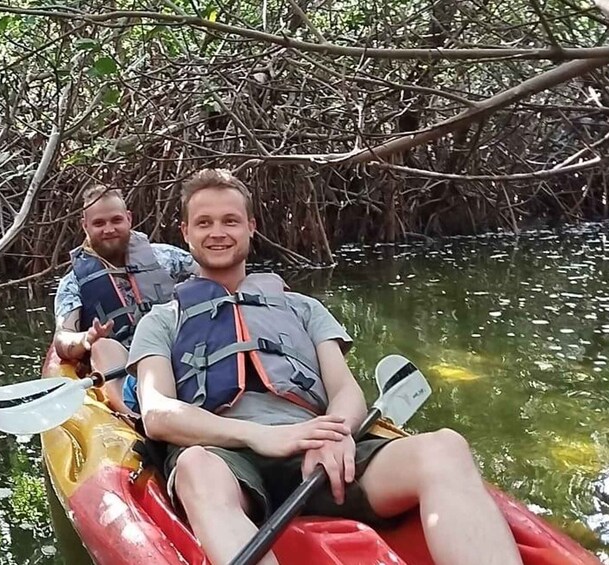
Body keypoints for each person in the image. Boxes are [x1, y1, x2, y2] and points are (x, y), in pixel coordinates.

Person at [126, 168, 523, 565]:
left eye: (230, 220)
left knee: (445, 447)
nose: (218, 232)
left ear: (251, 226)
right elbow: (158, 413)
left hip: (314, 450)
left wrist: (335, 433)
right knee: (195, 466)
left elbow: (345, 390)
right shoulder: (164, 319)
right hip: (222, 456)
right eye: (204, 223)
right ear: (185, 232)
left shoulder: (303, 308)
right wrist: (254, 436)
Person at [53, 184, 196, 414]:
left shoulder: (167, 257)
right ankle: (133, 416)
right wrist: (86, 339)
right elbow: (62, 339)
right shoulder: (73, 283)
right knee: (103, 346)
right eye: (99, 223)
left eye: (116, 220)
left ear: (128, 219)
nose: (109, 229)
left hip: (175, 346)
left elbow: (211, 279)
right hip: (125, 360)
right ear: (85, 226)